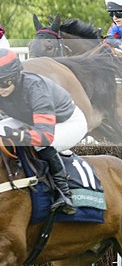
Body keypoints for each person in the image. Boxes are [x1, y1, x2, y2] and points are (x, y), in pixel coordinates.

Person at [0, 48, 89, 214]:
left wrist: (17, 135)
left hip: (67, 123)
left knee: (39, 145)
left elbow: (45, 137)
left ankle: (64, 194)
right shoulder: (4, 88)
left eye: (3, 83)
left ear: (15, 77)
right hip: (29, 119)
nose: (0, 89)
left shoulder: (36, 88)